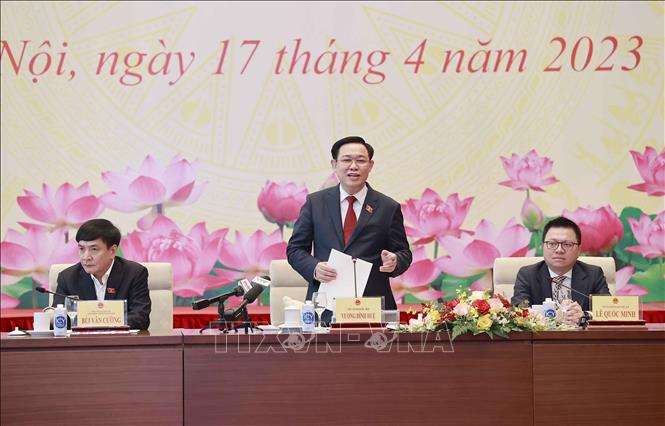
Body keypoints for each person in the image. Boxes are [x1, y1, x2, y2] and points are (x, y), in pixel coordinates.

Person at [287, 136, 412, 313]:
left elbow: (404, 253)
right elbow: (295, 250)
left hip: (373, 305)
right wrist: (314, 267)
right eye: (346, 160)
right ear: (334, 164)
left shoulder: (388, 207)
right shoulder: (315, 203)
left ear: (370, 165)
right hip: (325, 305)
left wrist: (395, 261)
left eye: (360, 160)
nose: (353, 166)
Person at [53, 219, 151, 330]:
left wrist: (97, 322)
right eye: (81, 249)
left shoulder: (134, 273)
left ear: (112, 251)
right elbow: (58, 317)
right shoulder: (67, 277)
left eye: (94, 249)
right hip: (81, 344)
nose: (86, 257)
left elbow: (141, 317)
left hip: (120, 344)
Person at [511, 216, 610, 324]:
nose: (559, 250)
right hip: (541, 339)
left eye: (567, 244)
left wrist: (584, 316)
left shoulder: (593, 274)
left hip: (581, 339)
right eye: (552, 244)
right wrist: (552, 317)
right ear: (543, 247)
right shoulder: (527, 275)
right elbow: (519, 311)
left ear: (579, 250)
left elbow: (607, 311)